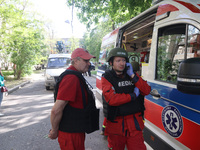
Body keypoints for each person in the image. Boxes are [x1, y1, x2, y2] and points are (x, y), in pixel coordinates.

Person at [101, 48, 151, 150]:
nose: (122, 63)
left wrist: (133, 76)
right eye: (118, 61)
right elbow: (112, 99)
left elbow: (146, 90)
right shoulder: (107, 77)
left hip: (134, 123)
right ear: (111, 62)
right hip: (116, 124)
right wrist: (132, 96)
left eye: (123, 60)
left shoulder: (132, 75)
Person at [48, 48, 98, 150]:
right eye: (86, 61)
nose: (89, 63)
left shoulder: (76, 75)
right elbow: (56, 110)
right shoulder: (71, 78)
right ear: (76, 61)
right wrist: (54, 131)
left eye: (89, 61)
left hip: (75, 131)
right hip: (70, 134)